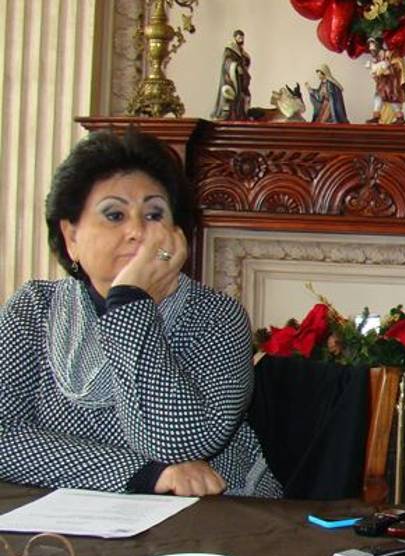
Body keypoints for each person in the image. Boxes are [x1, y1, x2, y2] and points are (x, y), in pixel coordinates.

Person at [0, 127, 281, 498]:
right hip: (68, 517)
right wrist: (144, 474)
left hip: (212, 514)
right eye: (115, 215)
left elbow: (180, 444)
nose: (137, 231)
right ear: (71, 237)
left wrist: (129, 303)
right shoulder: (35, 308)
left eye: (154, 214)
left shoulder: (217, 315)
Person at [211, 29, 251, 121]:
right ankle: (230, 114)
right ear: (235, 38)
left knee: (244, 95)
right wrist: (236, 66)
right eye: (239, 37)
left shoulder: (241, 51)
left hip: (241, 78)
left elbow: (245, 61)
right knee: (231, 96)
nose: (241, 39)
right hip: (231, 78)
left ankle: (241, 114)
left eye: (242, 38)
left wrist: (244, 64)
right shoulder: (230, 49)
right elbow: (227, 62)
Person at [365, 38, 405, 124]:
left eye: (372, 47)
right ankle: (376, 117)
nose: (370, 49)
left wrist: (385, 67)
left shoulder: (388, 54)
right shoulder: (377, 58)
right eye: (370, 47)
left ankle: (400, 117)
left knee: (392, 99)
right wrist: (373, 70)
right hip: (382, 82)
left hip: (391, 82)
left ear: (378, 46)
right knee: (378, 97)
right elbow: (376, 71)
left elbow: (396, 65)